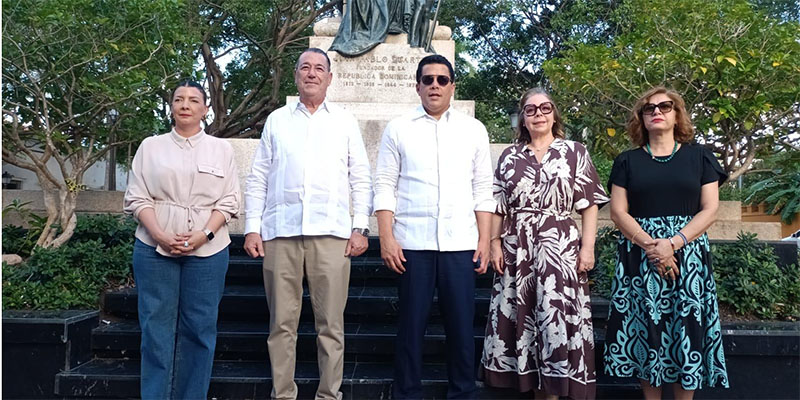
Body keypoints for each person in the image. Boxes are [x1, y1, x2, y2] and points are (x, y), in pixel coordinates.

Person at [243, 47, 372, 400]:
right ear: (296, 75)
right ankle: (283, 394)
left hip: (331, 235)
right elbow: (259, 177)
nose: (311, 73)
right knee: (281, 325)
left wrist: (360, 227)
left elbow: (360, 176)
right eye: (305, 67)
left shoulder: (344, 121)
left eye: (318, 68)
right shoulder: (277, 120)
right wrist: (252, 227)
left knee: (330, 325)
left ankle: (329, 395)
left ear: (329, 78)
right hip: (280, 234)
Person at [374, 54, 494, 399]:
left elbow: (483, 188)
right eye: (428, 80)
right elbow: (384, 184)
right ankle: (406, 394)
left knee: (461, 327)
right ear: (418, 87)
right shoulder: (399, 128)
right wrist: (386, 237)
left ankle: (462, 393)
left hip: (461, 244)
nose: (435, 86)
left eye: (442, 80)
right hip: (412, 244)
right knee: (411, 327)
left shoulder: (473, 129)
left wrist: (485, 240)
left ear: (453, 86)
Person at [479, 88, 609, 400]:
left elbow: (589, 204)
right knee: (522, 319)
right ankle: (532, 387)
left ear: (554, 115)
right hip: (517, 249)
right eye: (531, 109)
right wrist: (494, 243)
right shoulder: (510, 156)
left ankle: (551, 390)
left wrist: (588, 247)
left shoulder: (574, 152)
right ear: (522, 118)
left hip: (559, 248)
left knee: (554, 319)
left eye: (545, 108)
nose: (538, 114)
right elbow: (497, 205)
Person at [603, 87, 729, 399]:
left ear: (677, 114)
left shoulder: (700, 157)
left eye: (665, 106)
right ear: (641, 118)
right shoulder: (627, 161)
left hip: (687, 255)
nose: (657, 111)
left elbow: (710, 209)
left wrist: (672, 243)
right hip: (640, 256)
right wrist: (653, 247)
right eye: (649, 108)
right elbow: (618, 212)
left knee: (687, 334)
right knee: (647, 334)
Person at [123, 80, 240, 399]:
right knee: (155, 329)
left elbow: (230, 200)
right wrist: (159, 234)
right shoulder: (151, 147)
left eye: (193, 100)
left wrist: (204, 234)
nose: (185, 105)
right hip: (153, 248)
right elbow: (137, 196)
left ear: (205, 109)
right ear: (171, 107)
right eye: (179, 99)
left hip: (209, 251)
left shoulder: (221, 149)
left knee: (200, 330)